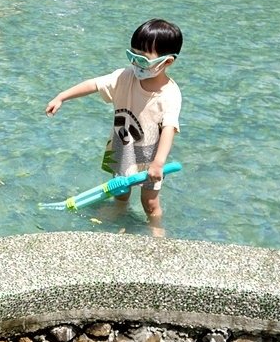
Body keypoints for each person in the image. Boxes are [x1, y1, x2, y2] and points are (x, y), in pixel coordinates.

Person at [45, 18, 183, 229]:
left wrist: (159, 163)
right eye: (132, 55)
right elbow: (94, 84)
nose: (136, 63)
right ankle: (120, 212)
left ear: (167, 62)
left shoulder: (169, 94)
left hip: (151, 159)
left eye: (143, 59)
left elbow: (169, 129)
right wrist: (62, 96)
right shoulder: (125, 77)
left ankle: (156, 231)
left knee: (150, 202)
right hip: (123, 148)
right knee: (120, 192)